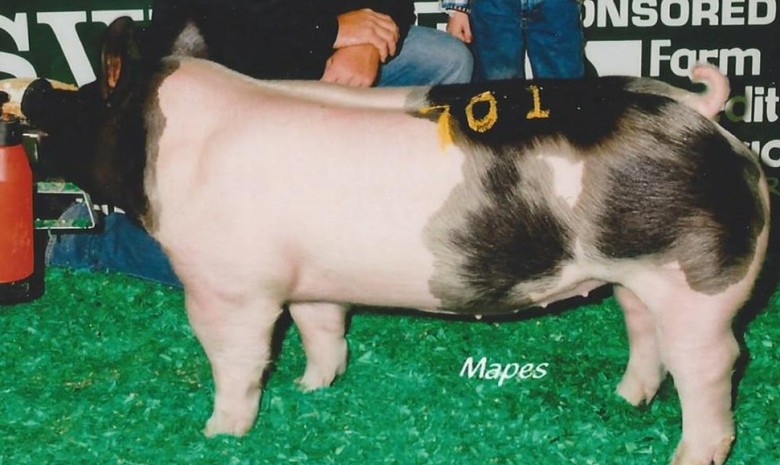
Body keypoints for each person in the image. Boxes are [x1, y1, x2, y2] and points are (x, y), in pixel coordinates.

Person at [45, 0, 473, 288]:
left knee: (446, 60)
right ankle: (91, 240)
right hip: (222, 83)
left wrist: (366, 45)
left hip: (319, 64)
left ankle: (391, 226)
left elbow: (392, 5)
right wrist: (329, 31)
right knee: (249, 265)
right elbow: (205, 25)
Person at [442, 0, 584, 81]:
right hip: (493, 5)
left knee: (564, 94)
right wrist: (456, 8)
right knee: (497, 94)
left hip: (556, 5)